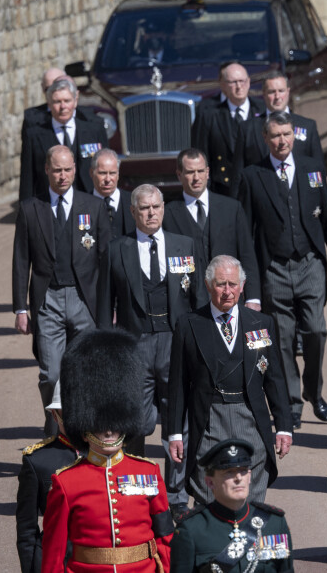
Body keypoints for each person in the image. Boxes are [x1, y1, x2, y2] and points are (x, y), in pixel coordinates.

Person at [97, 183, 207, 519]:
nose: (151, 213)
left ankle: (175, 498)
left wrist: (202, 347)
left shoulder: (184, 245)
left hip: (176, 343)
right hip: (136, 345)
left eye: (156, 207)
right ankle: (140, 487)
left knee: (179, 421)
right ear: (132, 213)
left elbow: (199, 300)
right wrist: (108, 353)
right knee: (138, 422)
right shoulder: (117, 250)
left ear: (163, 208)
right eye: (144, 208)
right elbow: (105, 307)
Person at [237, 111, 327, 430]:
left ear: (293, 136)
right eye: (275, 136)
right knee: (281, 340)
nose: (282, 141)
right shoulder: (252, 176)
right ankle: (292, 404)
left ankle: (314, 390)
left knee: (315, 330)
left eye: (286, 134)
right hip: (275, 268)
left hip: (310, 261)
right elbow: (245, 234)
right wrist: (250, 286)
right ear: (265, 139)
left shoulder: (312, 168)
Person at [41, 328, 174, 572]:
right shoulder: (66, 482)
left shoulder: (150, 472)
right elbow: (54, 553)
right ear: (83, 425)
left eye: (115, 423)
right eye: (101, 425)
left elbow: (165, 537)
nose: (110, 431)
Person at [168, 255, 292, 506]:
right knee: (209, 492)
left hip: (251, 419)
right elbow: (178, 384)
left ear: (242, 286)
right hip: (209, 421)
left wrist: (284, 426)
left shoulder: (262, 323)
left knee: (251, 494)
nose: (227, 292)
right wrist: (174, 434)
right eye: (221, 284)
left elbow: (274, 379)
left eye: (233, 284)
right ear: (207, 284)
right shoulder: (189, 325)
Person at [12, 145, 111, 435]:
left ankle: (84, 428)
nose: (63, 175)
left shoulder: (93, 207)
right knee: (51, 374)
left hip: (85, 299)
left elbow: (105, 261)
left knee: (86, 371)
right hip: (48, 299)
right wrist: (20, 308)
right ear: (46, 170)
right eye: (57, 169)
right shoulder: (31, 209)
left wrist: (110, 306)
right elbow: (21, 261)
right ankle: (55, 427)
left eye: (68, 169)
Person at [171, 439, 293, 573]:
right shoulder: (192, 529)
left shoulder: (274, 523)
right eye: (229, 472)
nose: (238, 478)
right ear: (210, 482)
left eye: (243, 471)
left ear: (249, 477)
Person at [163, 147, 261, 307]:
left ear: (208, 172)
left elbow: (247, 254)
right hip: (188, 303)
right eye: (189, 172)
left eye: (200, 171)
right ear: (179, 175)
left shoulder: (231, 208)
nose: (196, 178)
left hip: (230, 298)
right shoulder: (168, 214)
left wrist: (253, 298)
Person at [16, 383, 79, 573]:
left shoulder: (111, 456)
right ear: (55, 415)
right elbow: (27, 530)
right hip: (57, 562)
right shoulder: (39, 460)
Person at [232, 71, 323, 193]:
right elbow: (238, 174)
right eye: (271, 92)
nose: (277, 96)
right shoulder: (247, 129)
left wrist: (317, 199)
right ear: (263, 94)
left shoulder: (308, 126)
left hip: (300, 196)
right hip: (261, 199)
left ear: (288, 91)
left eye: (281, 91)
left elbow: (317, 169)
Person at [19, 77, 108, 201]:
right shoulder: (34, 135)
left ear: (75, 101)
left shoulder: (95, 130)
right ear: (49, 104)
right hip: (49, 205)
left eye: (67, 100)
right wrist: (25, 213)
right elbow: (27, 179)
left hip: (89, 202)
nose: (63, 106)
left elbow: (106, 168)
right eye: (57, 102)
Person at [192, 62, 265, 195]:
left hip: (259, 188)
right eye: (233, 82)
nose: (239, 87)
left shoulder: (263, 110)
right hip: (223, 190)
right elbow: (200, 155)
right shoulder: (209, 115)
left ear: (249, 82)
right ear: (223, 85)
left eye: (242, 81)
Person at [22, 68, 104, 132]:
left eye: (60, 87)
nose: (53, 92)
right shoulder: (32, 119)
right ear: (43, 88)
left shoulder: (88, 118)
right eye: (49, 89)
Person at [90, 148, 135, 239]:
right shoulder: (81, 204)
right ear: (91, 173)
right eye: (102, 173)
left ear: (118, 174)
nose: (107, 179)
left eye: (112, 173)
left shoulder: (134, 202)